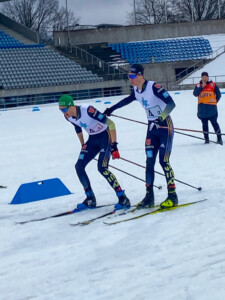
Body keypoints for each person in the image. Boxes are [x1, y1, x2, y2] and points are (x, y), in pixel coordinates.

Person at [104, 64, 178, 209]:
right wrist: (111, 109)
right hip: (151, 128)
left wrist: (161, 118)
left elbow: (171, 103)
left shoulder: (153, 87)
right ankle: (149, 196)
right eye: (129, 76)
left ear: (140, 76)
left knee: (164, 161)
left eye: (132, 76)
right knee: (149, 162)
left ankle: (172, 196)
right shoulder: (136, 90)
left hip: (164, 126)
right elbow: (127, 100)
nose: (130, 79)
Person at [58, 94, 131, 210]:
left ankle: (123, 197)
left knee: (102, 168)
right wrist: (83, 144)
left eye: (65, 109)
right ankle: (90, 198)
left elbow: (111, 124)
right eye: (60, 110)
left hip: (105, 137)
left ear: (71, 106)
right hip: (92, 139)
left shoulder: (88, 110)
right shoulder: (68, 117)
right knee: (79, 166)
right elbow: (77, 127)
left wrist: (114, 146)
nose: (63, 112)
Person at [193, 71, 223, 145]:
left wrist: (215, 102)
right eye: (203, 77)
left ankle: (219, 138)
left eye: (206, 77)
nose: (204, 78)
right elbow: (195, 94)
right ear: (201, 78)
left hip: (212, 109)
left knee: (215, 124)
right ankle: (206, 139)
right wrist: (201, 87)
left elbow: (218, 94)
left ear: (208, 77)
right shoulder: (198, 85)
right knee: (204, 125)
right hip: (202, 109)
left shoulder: (213, 85)